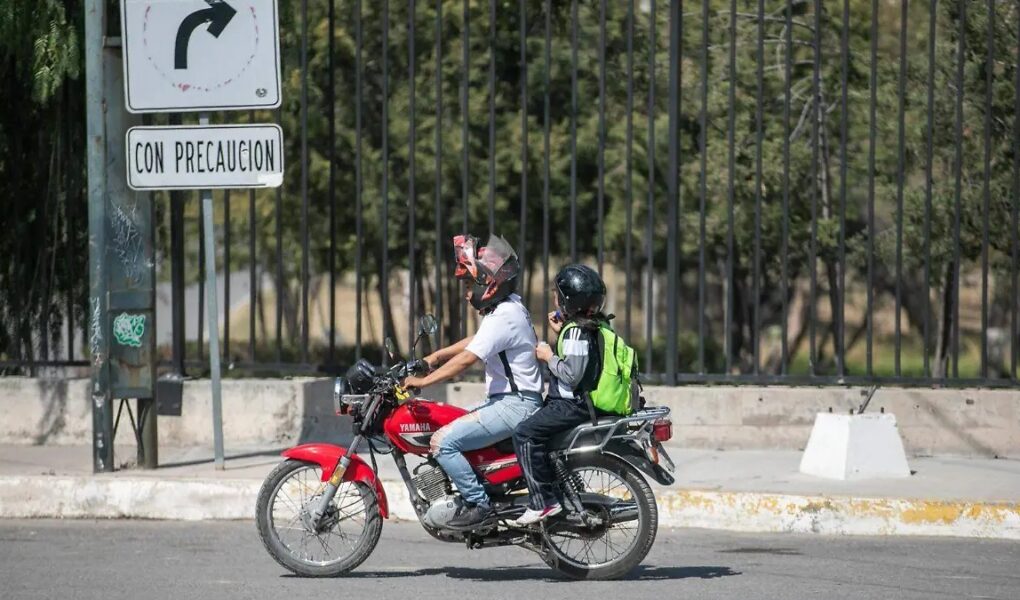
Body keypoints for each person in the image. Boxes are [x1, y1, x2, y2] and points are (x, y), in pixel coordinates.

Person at [403, 233, 543, 530]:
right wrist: (435, 356)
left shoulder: (503, 315)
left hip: (514, 405)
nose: (467, 294)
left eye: (469, 285)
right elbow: (478, 340)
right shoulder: (509, 307)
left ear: (487, 284)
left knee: (443, 441)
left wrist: (423, 382)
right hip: (512, 402)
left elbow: (468, 358)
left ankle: (480, 505)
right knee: (452, 423)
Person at [512, 264, 610, 526]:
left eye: (557, 293)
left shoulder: (576, 330)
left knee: (524, 434)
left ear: (567, 299)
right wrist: (561, 333)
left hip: (571, 404)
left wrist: (548, 356)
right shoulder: (590, 325)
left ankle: (543, 501)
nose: (554, 297)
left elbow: (571, 375)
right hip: (579, 402)